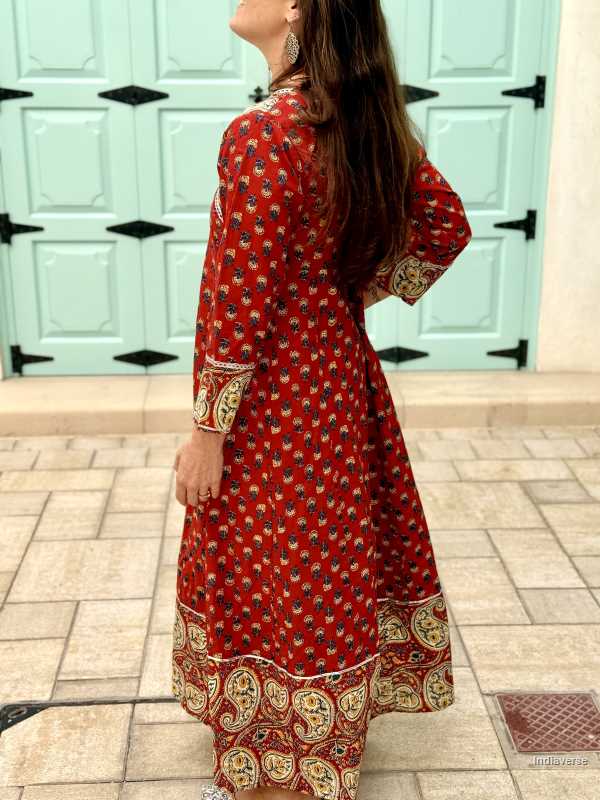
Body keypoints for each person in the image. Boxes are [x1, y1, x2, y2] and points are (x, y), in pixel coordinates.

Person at [171, 2, 473, 800]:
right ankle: (318, 747)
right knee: (322, 563)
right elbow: (444, 225)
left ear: (300, 9)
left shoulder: (265, 134)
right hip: (339, 381)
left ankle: (283, 769)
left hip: (273, 398)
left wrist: (207, 431)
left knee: (268, 563)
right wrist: (347, 296)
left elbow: (238, 300)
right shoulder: (351, 119)